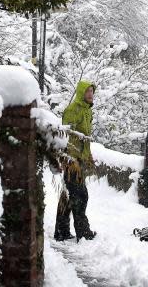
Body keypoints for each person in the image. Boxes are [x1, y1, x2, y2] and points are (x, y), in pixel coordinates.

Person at [54, 80, 97, 241]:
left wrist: (88, 156)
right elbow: (66, 136)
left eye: (92, 91)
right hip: (72, 159)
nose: (91, 94)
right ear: (81, 93)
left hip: (80, 158)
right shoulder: (73, 110)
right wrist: (70, 159)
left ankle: (61, 231)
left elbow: (84, 138)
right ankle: (83, 232)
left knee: (69, 195)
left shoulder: (87, 111)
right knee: (80, 195)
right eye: (87, 91)